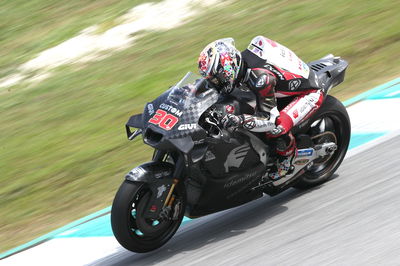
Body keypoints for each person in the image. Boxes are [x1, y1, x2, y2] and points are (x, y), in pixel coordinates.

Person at [197, 36, 324, 180]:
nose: (214, 83)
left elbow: (270, 121)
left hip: (309, 94)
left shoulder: (261, 79)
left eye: (215, 78)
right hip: (279, 86)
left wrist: (239, 120)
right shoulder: (240, 67)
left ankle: (288, 158)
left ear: (227, 70)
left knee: (276, 128)